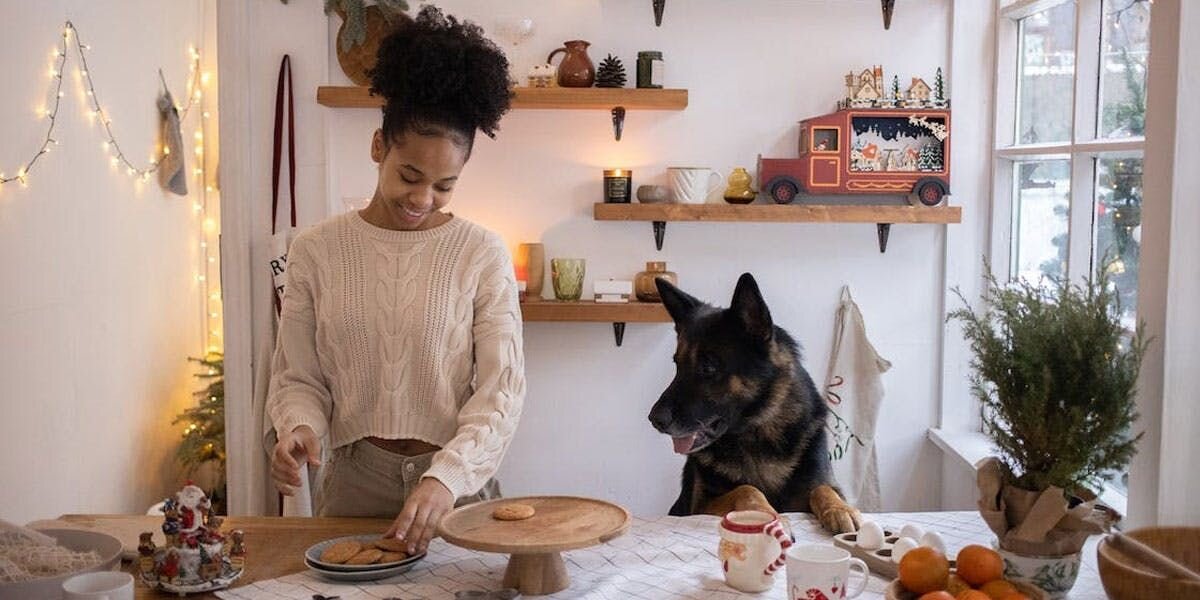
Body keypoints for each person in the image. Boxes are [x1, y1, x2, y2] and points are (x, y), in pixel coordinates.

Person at [267, 6, 524, 557]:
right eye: (410, 175)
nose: (423, 199)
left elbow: (500, 390)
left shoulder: (481, 252)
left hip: (454, 487)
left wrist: (447, 476)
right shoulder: (315, 250)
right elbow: (298, 377)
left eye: (444, 185)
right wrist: (299, 429)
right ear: (379, 146)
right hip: (354, 485)